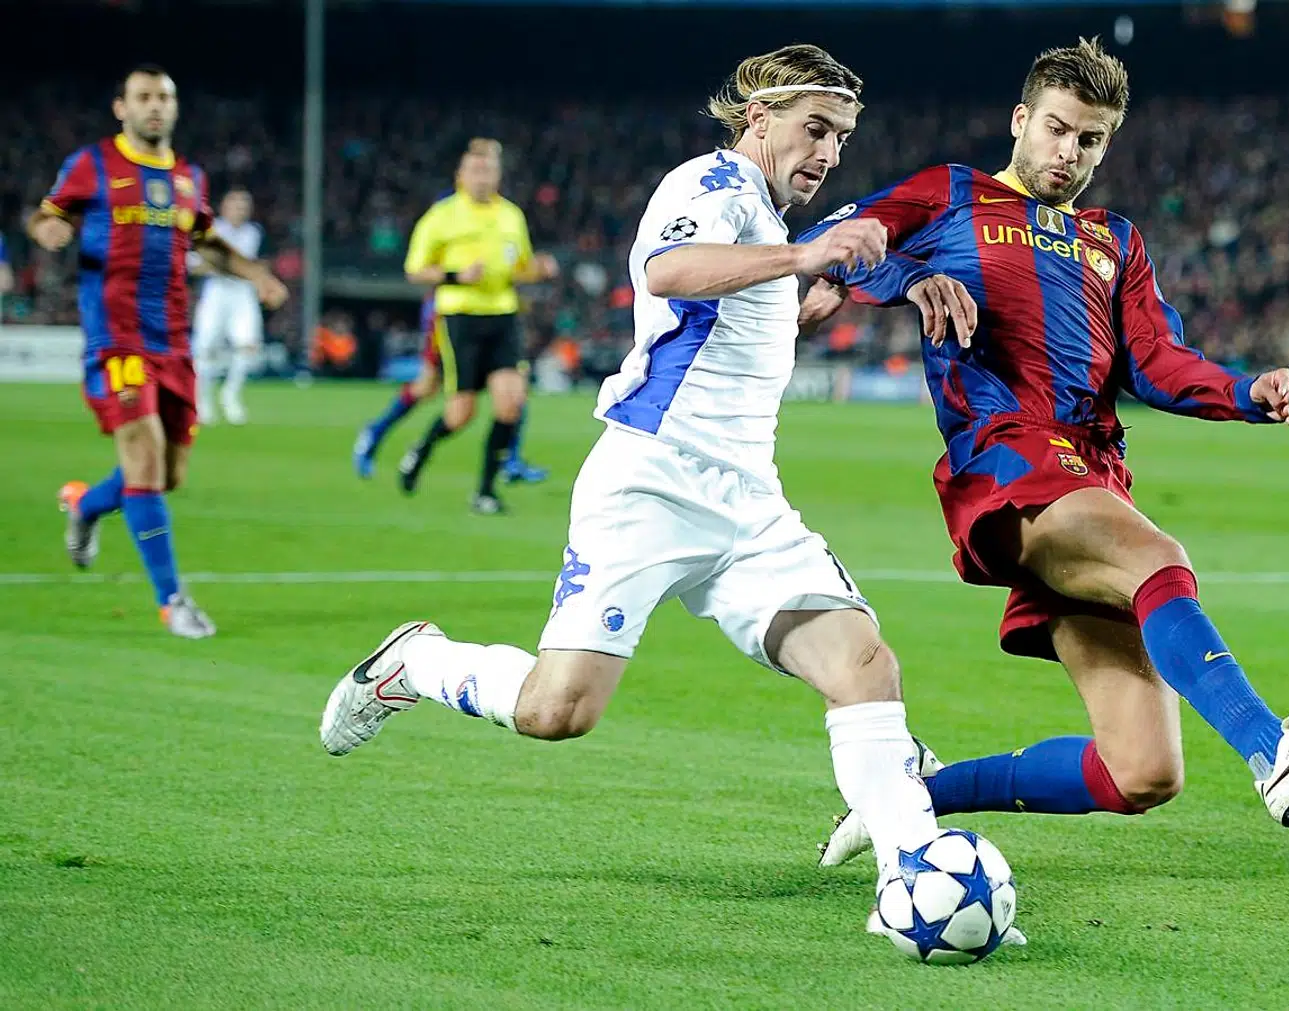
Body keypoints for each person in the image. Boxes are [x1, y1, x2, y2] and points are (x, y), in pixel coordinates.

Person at [320, 44, 955, 902]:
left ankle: (912, 872)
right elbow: (669, 272)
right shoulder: (710, 186)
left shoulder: (768, 219)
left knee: (864, 666)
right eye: (816, 130)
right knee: (557, 710)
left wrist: (822, 291)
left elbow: (729, 333)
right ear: (758, 117)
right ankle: (417, 663)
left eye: (841, 137)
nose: (829, 152)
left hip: (747, 502)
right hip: (650, 485)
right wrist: (805, 261)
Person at [802, 38, 1289, 870]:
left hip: (1091, 476)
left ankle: (913, 791)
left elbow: (1156, 361)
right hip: (1007, 461)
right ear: (1021, 120)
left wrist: (1241, 392)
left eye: (1090, 139)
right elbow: (837, 237)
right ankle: (1274, 750)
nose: (1068, 152)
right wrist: (905, 278)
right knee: (1159, 554)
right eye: (1056, 129)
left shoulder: (1114, 238)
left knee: (1142, 769)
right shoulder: (950, 194)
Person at [36, 65, 287, 638]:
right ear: (121, 107)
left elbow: (205, 241)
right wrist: (49, 229)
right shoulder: (94, 164)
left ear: (174, 109)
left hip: (173, 341)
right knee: (144, 460)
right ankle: (172, 601)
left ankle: (87, 505)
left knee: (166, 475)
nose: (155, 106)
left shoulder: (186, 177)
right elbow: (48, 213)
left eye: (164, 98)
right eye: (144, 97)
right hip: (116, 339)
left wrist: (254, 273)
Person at [393, 140, 559, 513]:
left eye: (489, 171)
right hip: (460, 317)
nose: (482, 177)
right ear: (460, 176)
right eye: (475, 170)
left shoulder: (511, 215)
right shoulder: (442, 216)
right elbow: (414, 270)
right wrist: (456, 275)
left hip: (503, 314)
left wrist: (540, 270)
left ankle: (485, 491)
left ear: (498, 176)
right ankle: (422, 449)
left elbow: (522, 267)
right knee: (461, 413)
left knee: (511, 404)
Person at [351, 291, 549, 483]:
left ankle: (510, 460)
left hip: (494, 315)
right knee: (428, 385)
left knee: (514, 385)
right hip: (453, 314)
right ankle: (376, 431)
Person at [190, 187, 265, 425]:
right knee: (206, 347)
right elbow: (195, 263)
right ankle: (203, 401)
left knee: (248, 346)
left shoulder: (254, 233)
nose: (240, 210)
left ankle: (231, 394)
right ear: (224, 207)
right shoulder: (213, 230)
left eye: (244, 206)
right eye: (236, 205)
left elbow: (251, 264)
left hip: (242, 292)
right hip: (217, 291)